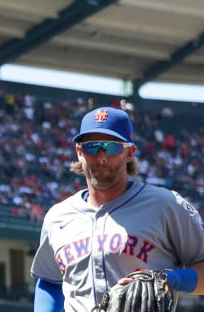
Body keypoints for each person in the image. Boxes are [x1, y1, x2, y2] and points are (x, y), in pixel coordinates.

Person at [31, 107, 204, 312]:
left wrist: (169, 279)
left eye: (111, 147)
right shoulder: (57, 217)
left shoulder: (166, 205)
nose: (101, 156)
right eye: (92, 147)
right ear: (79, 152)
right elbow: (50, 282)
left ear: (129, 153)